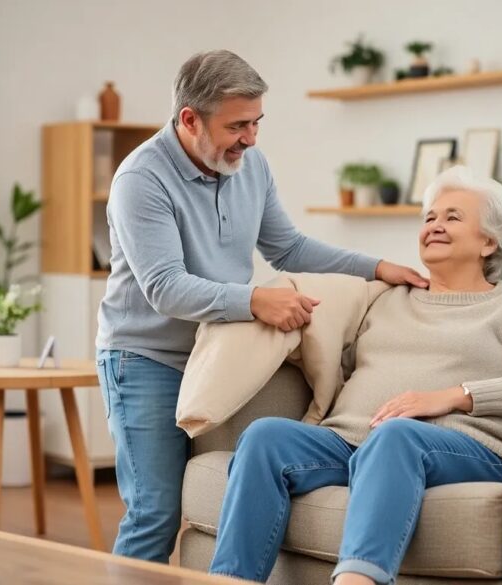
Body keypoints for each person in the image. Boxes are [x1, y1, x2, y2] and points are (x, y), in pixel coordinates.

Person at [95, 50, 427, 563]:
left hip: (220, 356)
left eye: (256, 123)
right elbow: (164, 286)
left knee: (216, 492)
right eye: (237, 126)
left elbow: (289, 248)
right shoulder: (141, 179)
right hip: (147, 360)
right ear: (189, 119)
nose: (250, 138)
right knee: (155, 511)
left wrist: (378, 266)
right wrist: (254, 300)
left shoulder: (250, 165)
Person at [208, 166, 502, 584]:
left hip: (460, 447)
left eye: (453, 217)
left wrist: (452, 395)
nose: (435, 226)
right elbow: (343, 362)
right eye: (429, 218)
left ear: (490, 242)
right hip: (351, 440)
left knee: (396, 435)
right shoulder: (386, 299)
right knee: (264, 437)